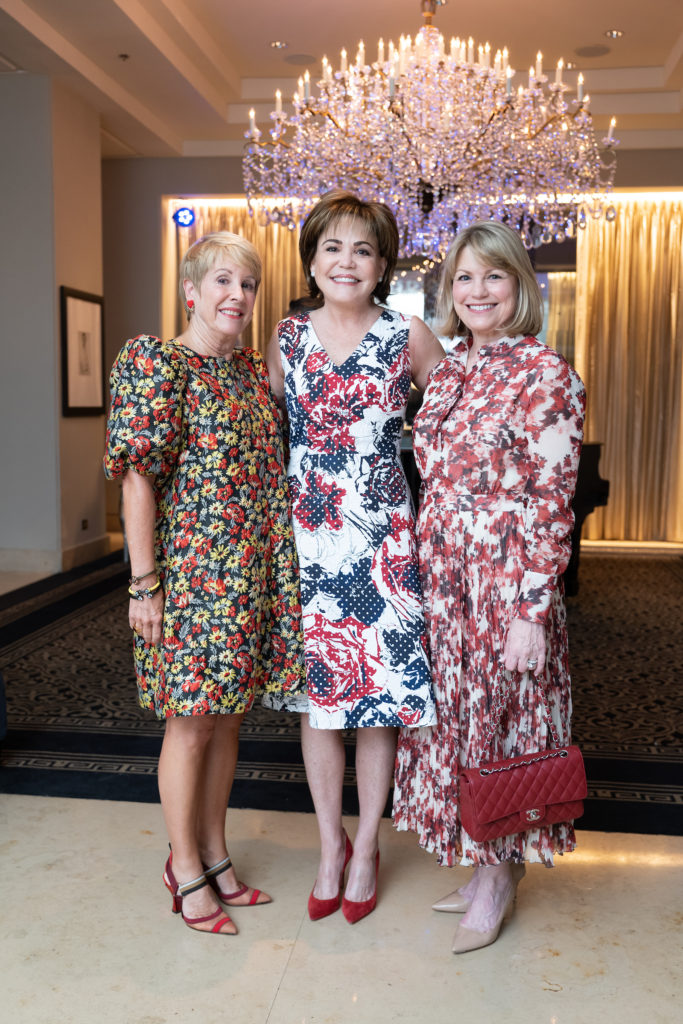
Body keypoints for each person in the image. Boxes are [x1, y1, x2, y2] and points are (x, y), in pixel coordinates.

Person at [393, 220, 586, 953]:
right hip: (445, 583)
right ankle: (481, 861)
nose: (477, 292)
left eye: (493, 276)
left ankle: (502, 875)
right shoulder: (447, 371)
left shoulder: (546, 374)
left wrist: (533, 608)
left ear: (520, 287)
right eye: (463, 279)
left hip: (506, 582)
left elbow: (550, 497)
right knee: (457, 725)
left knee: (504, 724)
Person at [104, 231, 304, 935]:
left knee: (227, 722)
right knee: (189, 724)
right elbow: (137, 479)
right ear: (191, 290)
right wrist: (143, 584)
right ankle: (184, 865)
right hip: (189, 576)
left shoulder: (251, 371)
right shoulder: (159, 362)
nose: (236, 297)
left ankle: (217, 854)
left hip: (247, 577)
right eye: (222, 281)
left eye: (247, 285)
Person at [265, 190, 444, 923]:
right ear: (311, 259)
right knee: (320, 705)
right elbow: (267, 427)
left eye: (362, 250)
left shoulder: (408, 334)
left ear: (382, 266)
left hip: (382, 540)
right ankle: (328, 845)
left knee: (377, 708)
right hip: (308, 539)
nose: (346, 261)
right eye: (332, 247)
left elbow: (453, 425)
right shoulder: (286, 336)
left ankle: (367, 844)